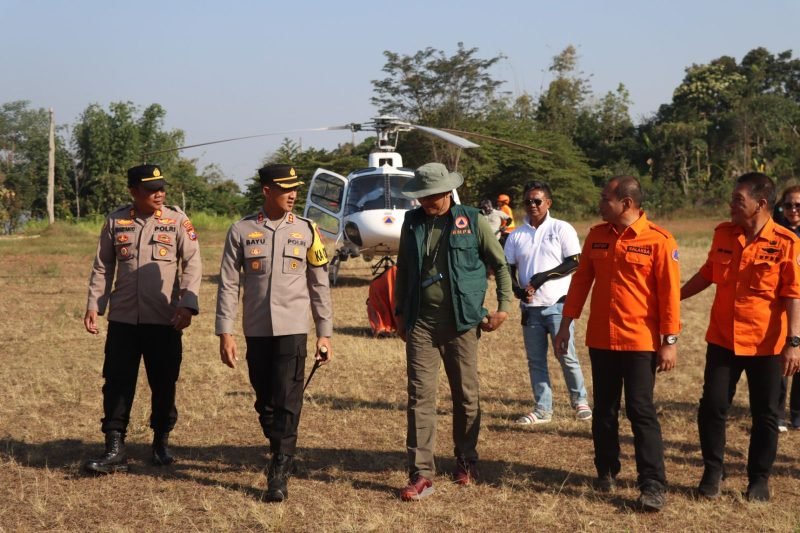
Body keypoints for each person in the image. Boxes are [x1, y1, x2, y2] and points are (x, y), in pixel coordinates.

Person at [553, 176, 680, 512]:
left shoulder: (660, 240)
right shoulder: (596, 236)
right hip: (602, 339)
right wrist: (566, 325)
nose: (599, 202)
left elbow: (670, 296)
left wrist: (669, 342)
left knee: (640, 410)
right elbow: (580, 284)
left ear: (626, 202)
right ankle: (606, 470)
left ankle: (652, 483)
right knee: (605, 410)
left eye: (604, 197)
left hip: (640, 342)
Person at [394, 162, 512, 501]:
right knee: (420, 397)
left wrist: (503, 306)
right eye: (421, 197)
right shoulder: (412, 222)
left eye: (430, 197)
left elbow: (500, 264)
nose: (425, 203)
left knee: (466, 395)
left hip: (462, 322)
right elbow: (403, 270)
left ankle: (466, 459)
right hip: (421, 323)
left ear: (447, 191)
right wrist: (400, 313)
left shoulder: (472, 220)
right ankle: (421, 474)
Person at [216, 164, 333, 503]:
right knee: (265, 400)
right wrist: (226, 331)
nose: (293, 194)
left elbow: (319, 285)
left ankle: (279, 468)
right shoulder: (241, 230)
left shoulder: (308, 230)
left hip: (293, 329)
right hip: (256, 330)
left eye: (295, 188)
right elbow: (227, 284)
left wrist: (324, 333)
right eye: (285, 189)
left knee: (287, 397)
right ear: (267, 190)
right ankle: (279, 439)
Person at [680, 173, 800, 502]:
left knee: (766, 414)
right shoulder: (724, 233)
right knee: (712, 407)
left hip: (767, 345)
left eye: (738, 200)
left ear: (761, 204)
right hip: (723, 340)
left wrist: (793, 343)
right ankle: (712, 470)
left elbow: (793, 294)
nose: (732, 205)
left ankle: (759, 478)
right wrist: (675, 296)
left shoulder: (787, 243)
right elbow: (708, 272)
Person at [83, 164, 202, 474]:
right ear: (134, 191)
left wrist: (187, 304)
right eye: (151, 189)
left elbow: (192, 265)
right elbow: (103, 266)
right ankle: (114, 446)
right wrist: (95, 304)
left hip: (164, 318)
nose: (159, 193)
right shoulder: (116, 220)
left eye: (161, 188)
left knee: (164, 382)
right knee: (117, 382)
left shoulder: (177, 221)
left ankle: (161, 441)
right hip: (123, 318)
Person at [504, 181, 591, 424]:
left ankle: (580, 401)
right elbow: (509, 268)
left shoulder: (561, 228)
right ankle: (543, 409)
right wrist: (518, 290)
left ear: (548, 203)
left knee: (566, 355)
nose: (532, 205)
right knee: (536, 360)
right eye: (528, 201)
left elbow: (574, 261)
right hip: (530, 309)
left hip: (558, 305)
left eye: (537, 201)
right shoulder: (516, 235)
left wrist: (542, 278)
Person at [775, 185, 800, 431]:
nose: (793, 210)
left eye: (798, 205)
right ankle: (778, 413)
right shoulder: (775, 234)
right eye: (788, 205)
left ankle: (797, 413)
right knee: (781, 361)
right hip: (782, 308)